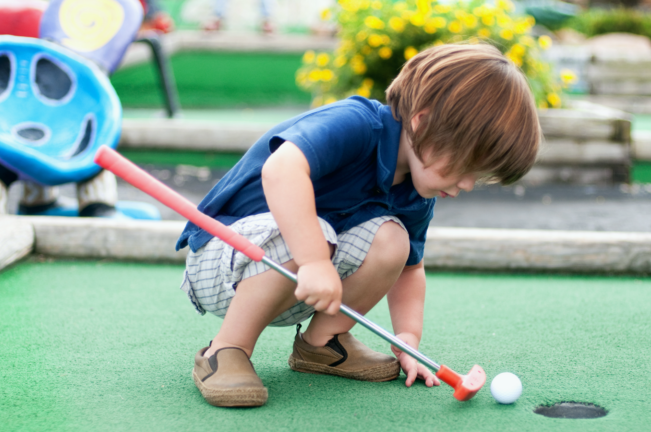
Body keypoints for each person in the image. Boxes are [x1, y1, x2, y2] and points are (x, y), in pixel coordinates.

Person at [177, 43, 541, 407]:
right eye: (466, 167)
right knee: (313, 233)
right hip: (221, 260)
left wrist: (407, 340)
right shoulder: (356, 123)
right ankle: (226, 350)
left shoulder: (416, 194)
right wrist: (315, 262)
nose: (466, 185)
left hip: (299, 282)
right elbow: (281, 170)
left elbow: (410, 270)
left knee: (393, 240)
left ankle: (322, 344)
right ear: (423, 123)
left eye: (478, 176)